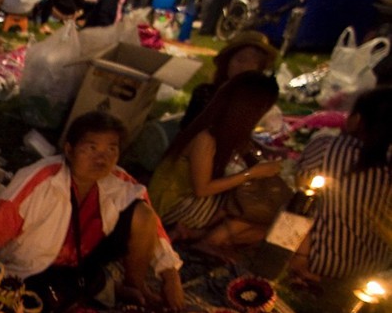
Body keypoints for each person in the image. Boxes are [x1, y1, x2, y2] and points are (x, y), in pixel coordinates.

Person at [0, 110, 184, 312]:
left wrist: (170, 275)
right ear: (69, 150)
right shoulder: (40, 181)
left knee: (142, 215)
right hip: (36, 264)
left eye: (111, 149)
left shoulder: (118, 180)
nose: (102, 158)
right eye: (91, 148)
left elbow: (152, 223)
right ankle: (103, 289)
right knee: (48, 303)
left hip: (84, 258)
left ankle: (133, 286)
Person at [151, 71, 282, 251]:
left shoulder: (228, 134)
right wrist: (251, 174)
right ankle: (200, 237)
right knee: (247, 211)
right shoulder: (206, 137)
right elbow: (202, 188)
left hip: (192, 202)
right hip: (172, 205)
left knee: (261, 219)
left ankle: (197, 235)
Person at [291, 87, 392, 281]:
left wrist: (301, 256)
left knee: (294, 201)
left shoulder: (327, 146)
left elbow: (300, 201)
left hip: (321, 259)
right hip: (375, 269)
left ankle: (296, 261)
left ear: (357, 119)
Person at [180, 30, 277, 129]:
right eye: (241, 60)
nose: (245, 68)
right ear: (227, 62)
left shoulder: (257, 103)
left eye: (253, 63)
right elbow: (187, 130)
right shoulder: (205, 94)